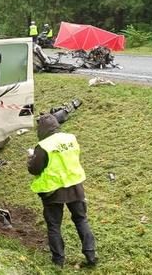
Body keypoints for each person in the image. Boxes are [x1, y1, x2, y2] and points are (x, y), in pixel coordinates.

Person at [27, 114, 97, 268]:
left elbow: (34, 169)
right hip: (75, 186)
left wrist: (31, 158)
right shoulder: (71, 138)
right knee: (81, 219)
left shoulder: (43, 146)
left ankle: (58, 261)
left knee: (54, 226)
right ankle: (91, 255)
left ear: (42, 129)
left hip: (53, 191)